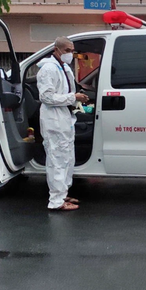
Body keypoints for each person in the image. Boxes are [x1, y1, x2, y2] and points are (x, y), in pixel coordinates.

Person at [37, 37, 89, 211]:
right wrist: (73, 97)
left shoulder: (65, 68)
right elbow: (46, 97)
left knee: (67, 158)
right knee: (57, 159)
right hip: (53, 119)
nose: (70, 54)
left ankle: (63, 193)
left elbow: (67, 91)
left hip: (65, 117)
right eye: (66, 50)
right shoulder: (48, 69)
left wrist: (76, 99)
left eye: (71, 50)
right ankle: (56, 201)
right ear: (56, 50)